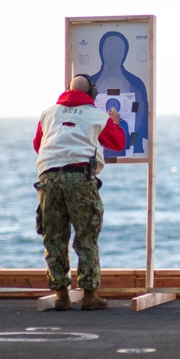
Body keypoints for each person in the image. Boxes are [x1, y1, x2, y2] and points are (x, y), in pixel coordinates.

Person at [33, 74, 126, 311]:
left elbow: (38, 144)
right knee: (86, 236)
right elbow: (117, 142)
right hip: (80, 177)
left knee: (53, 237)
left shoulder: (48, 113)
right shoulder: (98, 116)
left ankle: (61, 295)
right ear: (92, 93)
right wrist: (114, 121)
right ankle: (88, 295)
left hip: (48, 177)